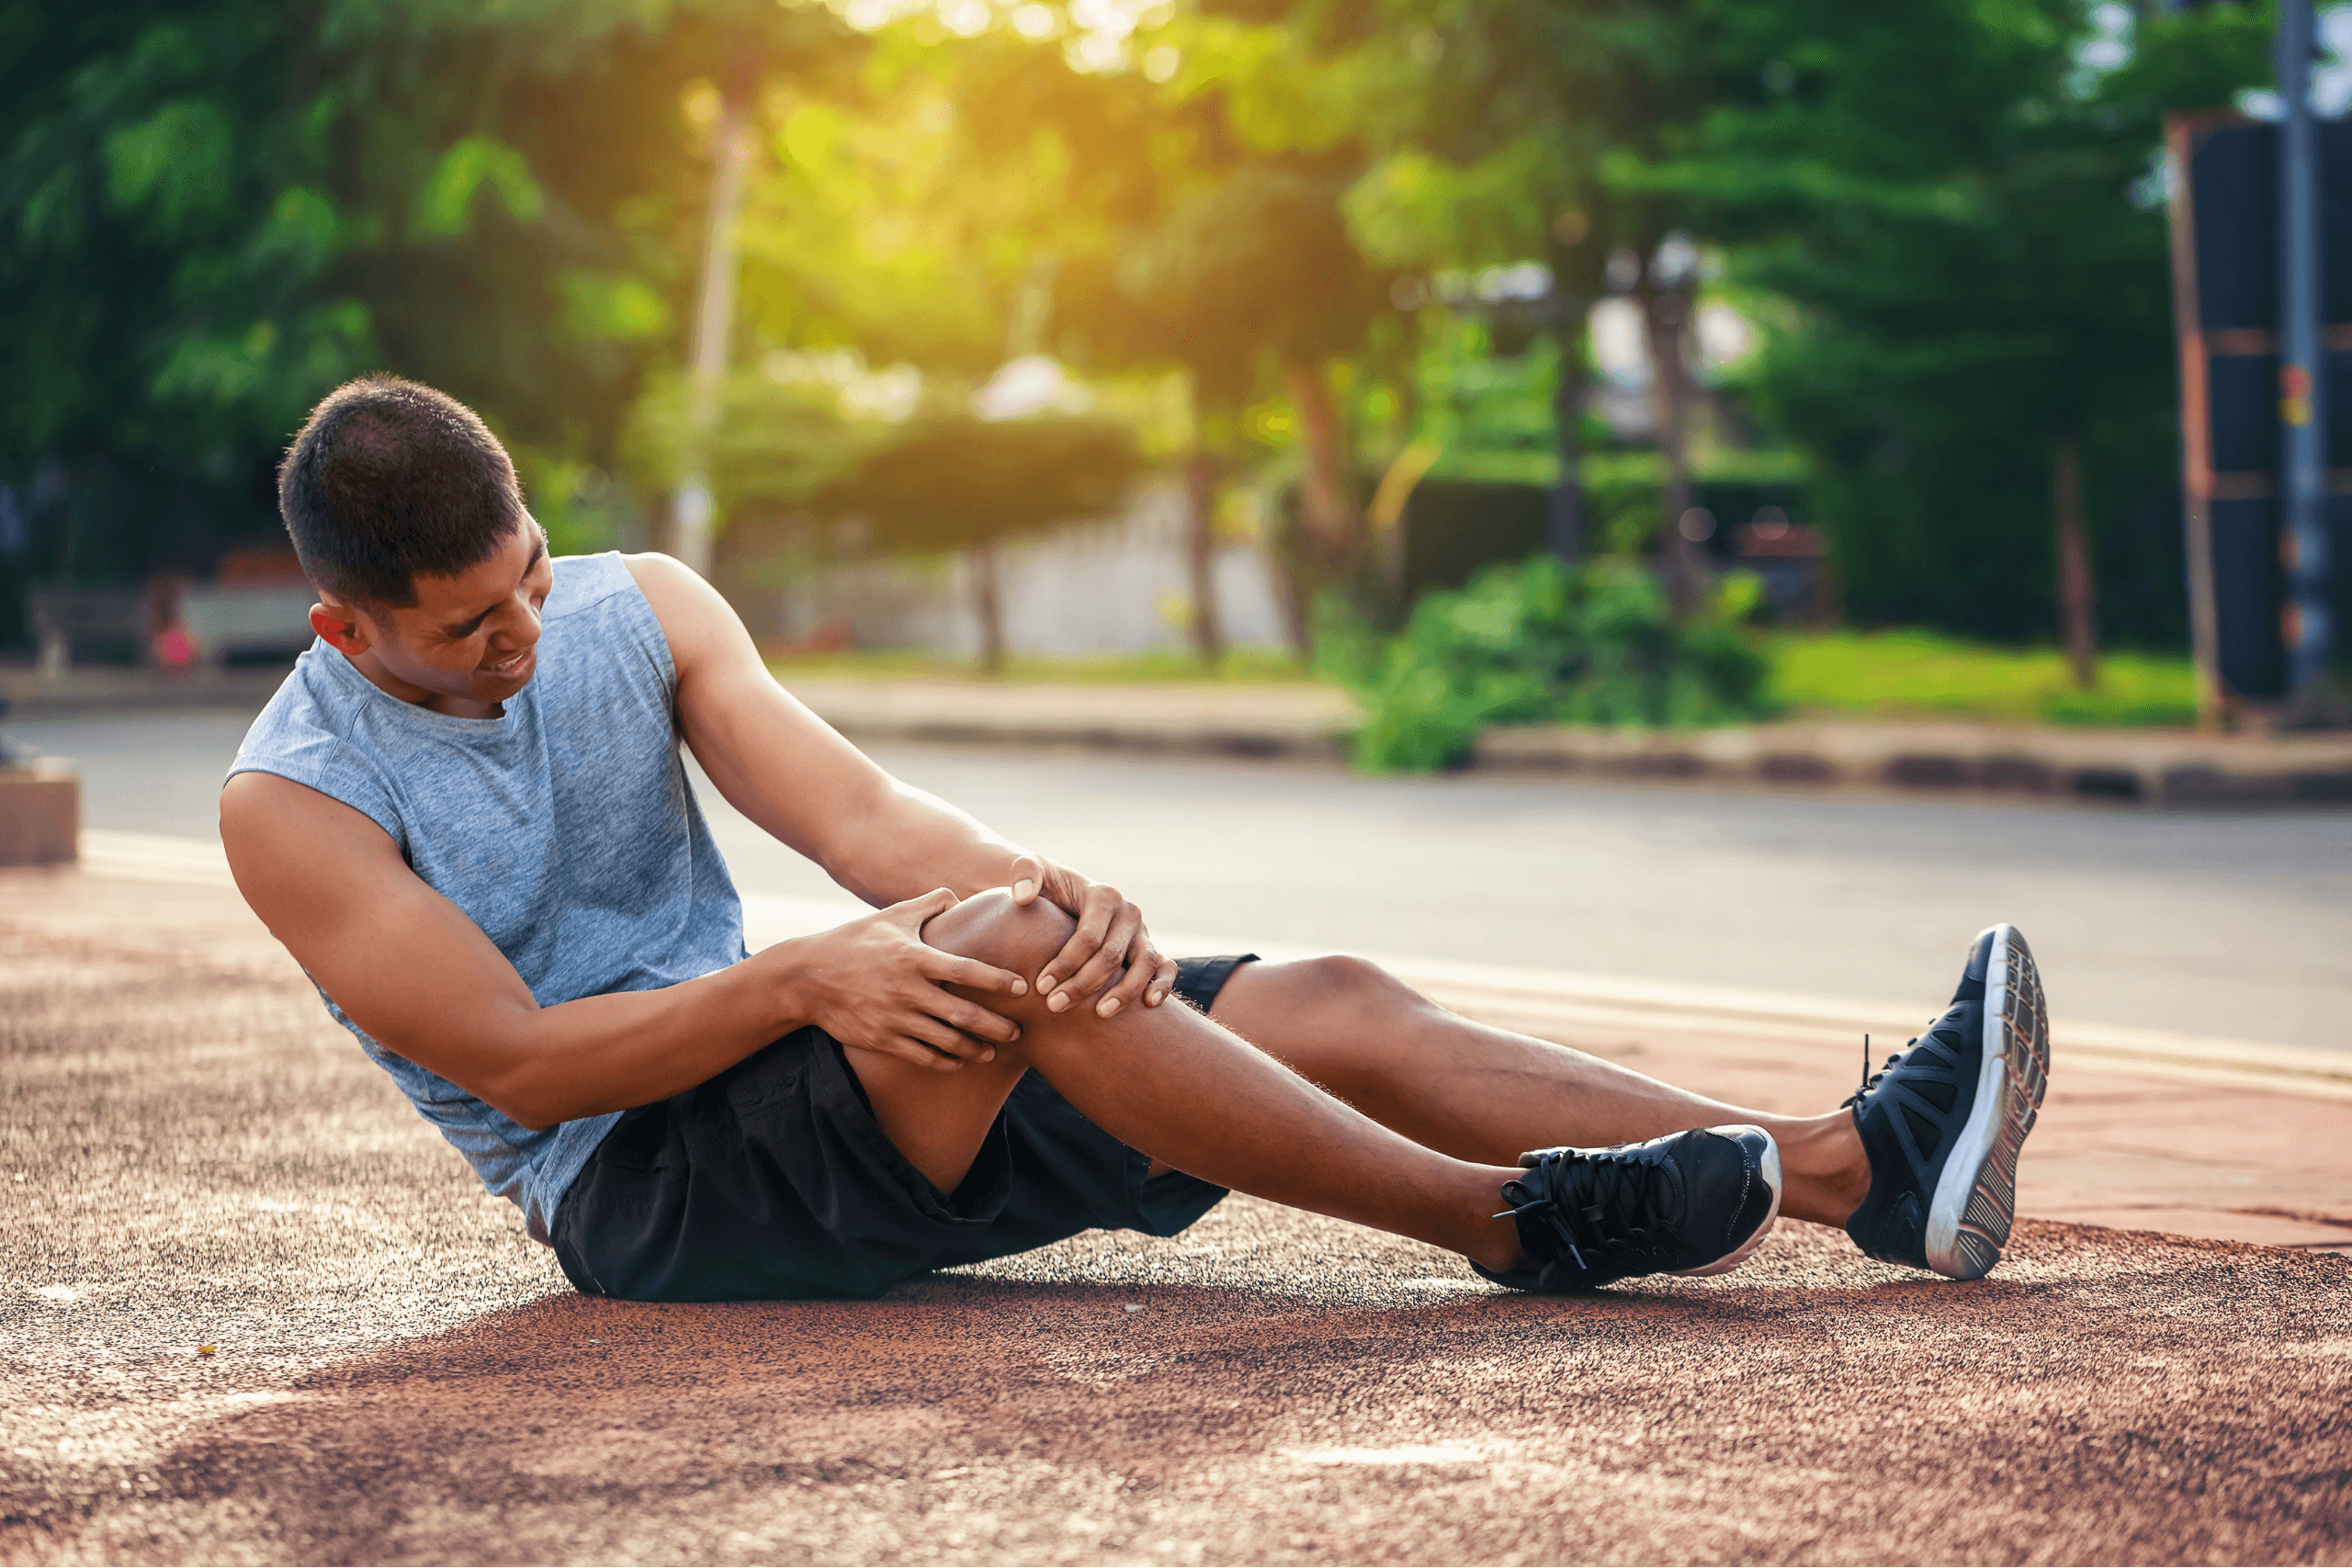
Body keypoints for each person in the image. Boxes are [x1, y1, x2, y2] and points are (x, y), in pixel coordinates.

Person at [220, 377, 2051, 1303]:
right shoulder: (292, 802)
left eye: (531, 576)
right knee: (1002, 957)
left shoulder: (645, 608)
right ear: (348, 627)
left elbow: (861, 817)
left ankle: (1851, 1174)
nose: (528, 636)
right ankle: (1508, 1226)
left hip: (841, 1070)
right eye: (472, 627)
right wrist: (802, 981)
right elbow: (526, 1069)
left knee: (1308, 989)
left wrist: (1049, 889)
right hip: (648, 1189)